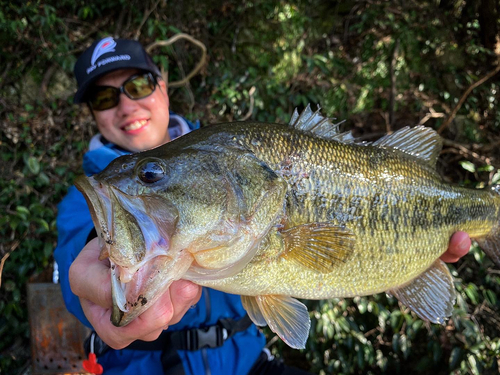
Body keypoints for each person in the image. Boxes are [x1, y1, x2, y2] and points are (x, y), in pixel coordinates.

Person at [54, 36, 472, 375]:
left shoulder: (227, 153)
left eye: (138, 86)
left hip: (249, 365)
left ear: (161, 84)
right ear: (93, 113)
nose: (126, 105)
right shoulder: (84, 202)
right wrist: (107, 254)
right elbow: (78, 256)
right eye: (105, 99)